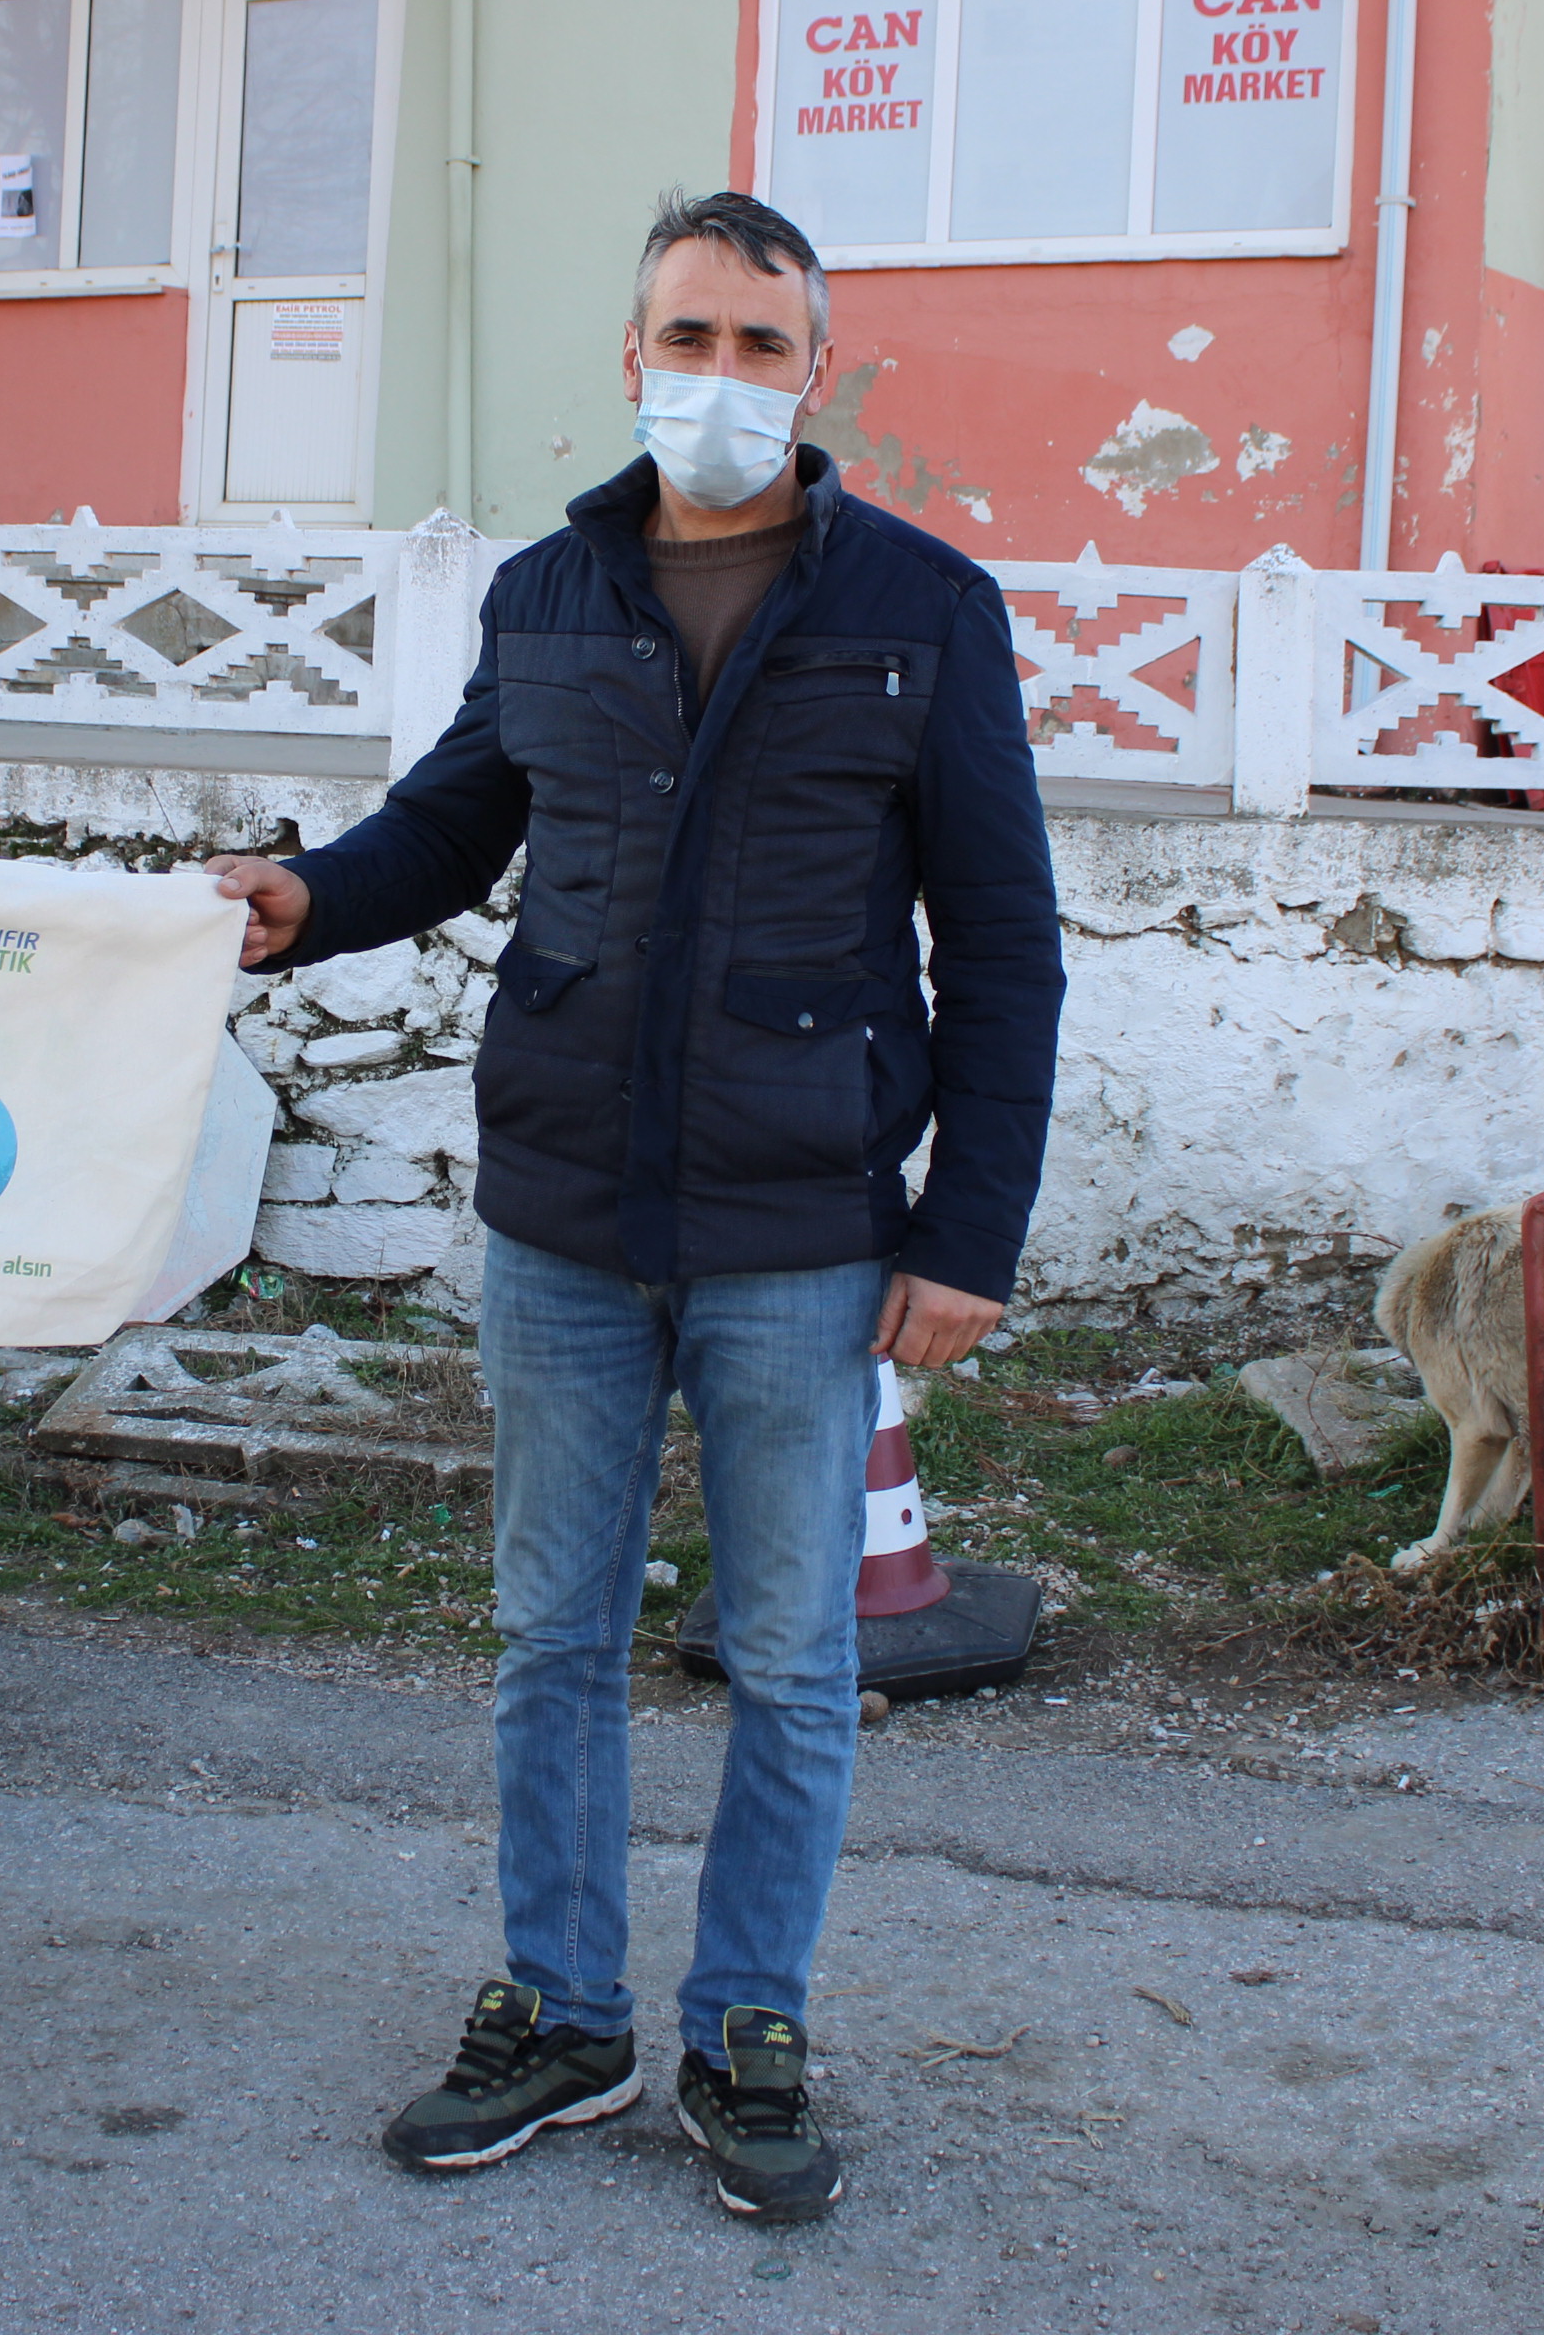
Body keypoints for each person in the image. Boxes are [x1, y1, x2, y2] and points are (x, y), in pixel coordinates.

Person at [209, 191, 1061, 2223]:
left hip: (807, 1228)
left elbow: (1004, 943)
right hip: (566, 1214)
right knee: (548, 1633)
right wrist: (310, 897)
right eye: (692, 335)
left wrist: (968, 1236)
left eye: (764, 346)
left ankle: (746, 2019)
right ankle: (565, 2007)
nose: (723, 376)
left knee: (785, 1649)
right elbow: (451, 816)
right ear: (630, 355)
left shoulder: (926, 608)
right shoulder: (547, 593)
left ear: (819, 374)